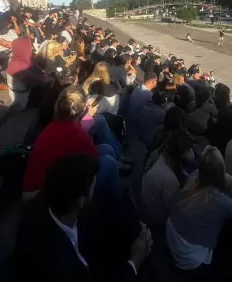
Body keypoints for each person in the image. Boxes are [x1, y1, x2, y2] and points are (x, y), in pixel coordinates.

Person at [12, 154, 152, 282]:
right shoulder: (63, 267)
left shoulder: (52, 200)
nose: (95, 190)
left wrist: (135, 226)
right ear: (80, 201)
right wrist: (135, 261)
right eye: (93, 186)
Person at [166, 146, 232, 273]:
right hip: (189, 256)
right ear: (222, 171)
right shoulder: (219, 200)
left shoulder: (195, 175)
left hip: (173, 233)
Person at [22, 85, 121, 202]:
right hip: (40, 195)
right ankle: (117, 202)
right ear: (82, 110)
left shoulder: (55, 124)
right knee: (108, 162)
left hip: (39, 187)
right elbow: (94, 160)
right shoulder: (76, 134)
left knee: (105, 148)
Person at [142, 130, 196, 228]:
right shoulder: (169, 178)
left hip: (152, 210)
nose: (191, 151)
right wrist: (188, 186)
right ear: (181, 153)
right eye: (188, 149)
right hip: (162, 222)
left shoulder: (158, 153)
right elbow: (176, 209)